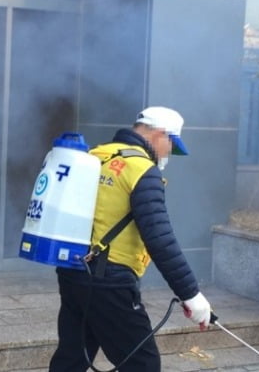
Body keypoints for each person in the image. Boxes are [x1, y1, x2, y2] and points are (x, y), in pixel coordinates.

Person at [48, 106, 211, 372]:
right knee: (143, 364)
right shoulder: (142, 171)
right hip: (108, 281)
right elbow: (160, 239)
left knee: (72, 358)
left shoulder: (94, 156)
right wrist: (191, 294)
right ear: (160, 134)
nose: (169, 152)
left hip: (72, 272)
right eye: (171, 143)